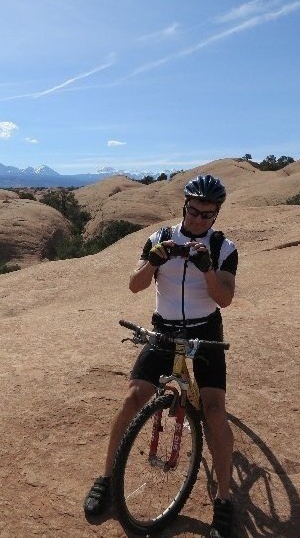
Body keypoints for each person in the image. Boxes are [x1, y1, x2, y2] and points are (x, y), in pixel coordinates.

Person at [84, 174, 238, 538]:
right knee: (133, 398)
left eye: (207, 215)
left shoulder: (223, 247)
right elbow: (135, 285)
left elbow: (225, 299)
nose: (199, 220)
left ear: (216, 215)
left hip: (205, 329)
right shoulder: (159, 237)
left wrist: (208, 270)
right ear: (184, 206)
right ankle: (106, 478)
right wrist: (153, 261)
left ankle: (225, 497)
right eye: (194, 212)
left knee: (214, 411)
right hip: (165, 329)